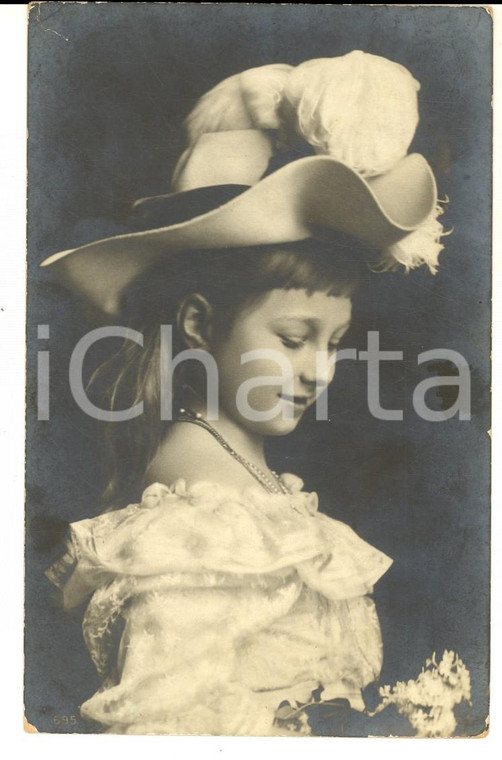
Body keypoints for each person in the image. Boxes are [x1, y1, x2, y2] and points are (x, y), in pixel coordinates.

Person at [43, 51, 446, 735]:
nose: (320, 370)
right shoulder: (201, 522)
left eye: (335, 342)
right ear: (201, 324)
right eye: (293, 339)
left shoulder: (245, 484)